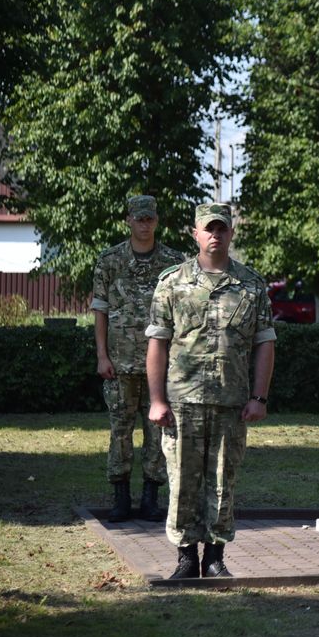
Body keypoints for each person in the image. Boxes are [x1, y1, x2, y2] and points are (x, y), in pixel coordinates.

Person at [145, 202, 276, 579]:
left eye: (222, 229)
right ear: (195, 234)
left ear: (231, 233)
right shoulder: (173, 282)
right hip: (182, 402)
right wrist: (156, 400)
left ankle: (215, 557)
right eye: (208, 229)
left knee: (223, 480)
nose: (215, 235)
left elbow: (265, 343)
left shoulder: (250, 285)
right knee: (183, 479)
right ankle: (186, 558)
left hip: (231, 402)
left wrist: (259, 397)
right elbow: (157, 342)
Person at [91, 194, 185, 523]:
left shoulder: (175, 263)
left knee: (158, 432)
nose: (144, 224)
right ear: (128, 220)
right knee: (120, 431)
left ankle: (150, 498)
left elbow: (183, 316)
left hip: (160, 367)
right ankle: (120, 497)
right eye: (139, 218)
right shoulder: (110, 260)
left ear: (156, 221)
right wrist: (102, 355)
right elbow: (100, 311)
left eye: (149, 219)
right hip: (119, 363)